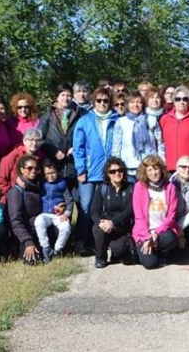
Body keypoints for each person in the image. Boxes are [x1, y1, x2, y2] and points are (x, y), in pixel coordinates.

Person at [72, 87, 119, 254]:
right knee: (86, 206)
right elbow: (78, 148)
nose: (102, 104)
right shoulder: (85, 121)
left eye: (106, 100)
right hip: (90, 172)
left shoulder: (116, 119)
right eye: (99, 100)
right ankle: (81, 241)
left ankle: (104, 242)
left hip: (110, 172)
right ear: (94, 102)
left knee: (108, 206)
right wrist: (81, 169)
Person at [132, 155, 180, 269]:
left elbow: (171, 216)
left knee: (170, 238)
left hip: (162, 232)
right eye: (150, 170)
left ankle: (162, 253)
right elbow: (139, 217)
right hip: (144, 232)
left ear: (161, 170)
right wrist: (147, 237)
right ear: (145, 172)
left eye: (156, 168)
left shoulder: (170, 187)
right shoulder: (139, 187)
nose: (154, 173)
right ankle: (149, 252)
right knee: (150, 264)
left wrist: (156, 233)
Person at [90, 157, 136, 268]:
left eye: (120, 170)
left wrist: (113, 222)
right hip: (106, 225)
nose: (117, 173)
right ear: (108, 174)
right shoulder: (102, 189)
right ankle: (100, 257)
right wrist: (100, 222)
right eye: (112, 171)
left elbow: (130, 210)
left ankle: (116, 252)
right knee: (97, 228)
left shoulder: (131, 188)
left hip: (122, 226)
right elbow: (94, 211)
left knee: (120, 250)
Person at [37, 84, 82, 196]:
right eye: (62, 95)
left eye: (68, 95)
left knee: (78, 200)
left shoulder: (79, 114)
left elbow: (85, 136)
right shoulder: (48, 116)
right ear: (57, 97)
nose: (65, 98)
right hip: (53, 164)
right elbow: (38, 138)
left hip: (73, 163)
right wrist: (53, 151)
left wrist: (76, 148)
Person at [5, 155, 45, 264]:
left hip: (42, 230)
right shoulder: (16, 192)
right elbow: (15, 220)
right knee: (33, 261)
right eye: (29, 168)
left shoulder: (41, 187)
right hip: (25, 234)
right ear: (22, 169)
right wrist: (27, 242)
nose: (33, 171)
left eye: (36, 168)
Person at [112, 92, 160, 180]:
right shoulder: (121, 122)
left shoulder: (152, 120)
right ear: (127, 105)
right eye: (132, 102)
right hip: (129, 167)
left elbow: (160, 143)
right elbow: (116, 146)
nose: (135, 105)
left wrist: (161, 160)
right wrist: (116, 165)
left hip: (149, 166)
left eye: (139, 102)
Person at [34, 159, 73, 262]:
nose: (51, 176)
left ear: (57, 171)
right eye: (47, 173)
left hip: (58, 214)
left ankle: (57, 249)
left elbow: (69, 200)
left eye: (53, 173)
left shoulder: (62, 183)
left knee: (66, 228)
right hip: (45, 213)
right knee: (38, 221)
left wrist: (66, 214)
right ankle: (46, 248)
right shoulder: (41, 183)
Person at [0, 128, 45, 204]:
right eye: (31, 140)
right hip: (13, 197)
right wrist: (10, 194)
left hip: (32, 197)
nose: (34, 143)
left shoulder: (42, 157)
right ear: (24, 141)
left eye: (37, 140)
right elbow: (2, 179)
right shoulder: (13, 156)